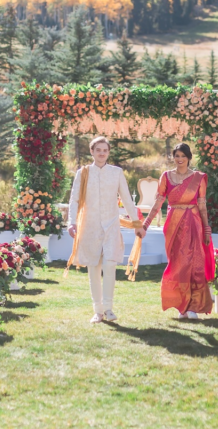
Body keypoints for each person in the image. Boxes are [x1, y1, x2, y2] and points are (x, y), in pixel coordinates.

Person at [67, 136, 145, 323]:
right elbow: (74, 200)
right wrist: (71, 222)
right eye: (98, 150)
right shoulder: (83, 173)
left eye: (105, 150)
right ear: (92, 152)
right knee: (94, 268)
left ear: (108, 152)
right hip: (90, 226)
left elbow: (126, 199)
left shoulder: (116, 172)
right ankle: (98, 311)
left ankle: (109, 309)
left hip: (111, 226)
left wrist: (136, 224)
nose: (102, 153)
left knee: (110, 266)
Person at [142, 143, 215, 319]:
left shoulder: (198, 178)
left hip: (194, 223)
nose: (180, 159)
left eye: (183, 156)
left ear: (189, 158)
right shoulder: (166, 176)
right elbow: (158, 202)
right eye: (177, 156)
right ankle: (181, 306)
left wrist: (206, 229)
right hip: (173, 225)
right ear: (173, 157)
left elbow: (202, 205)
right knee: (177, 264)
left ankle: (193, 307)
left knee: (194, 263)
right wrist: (146, 223)